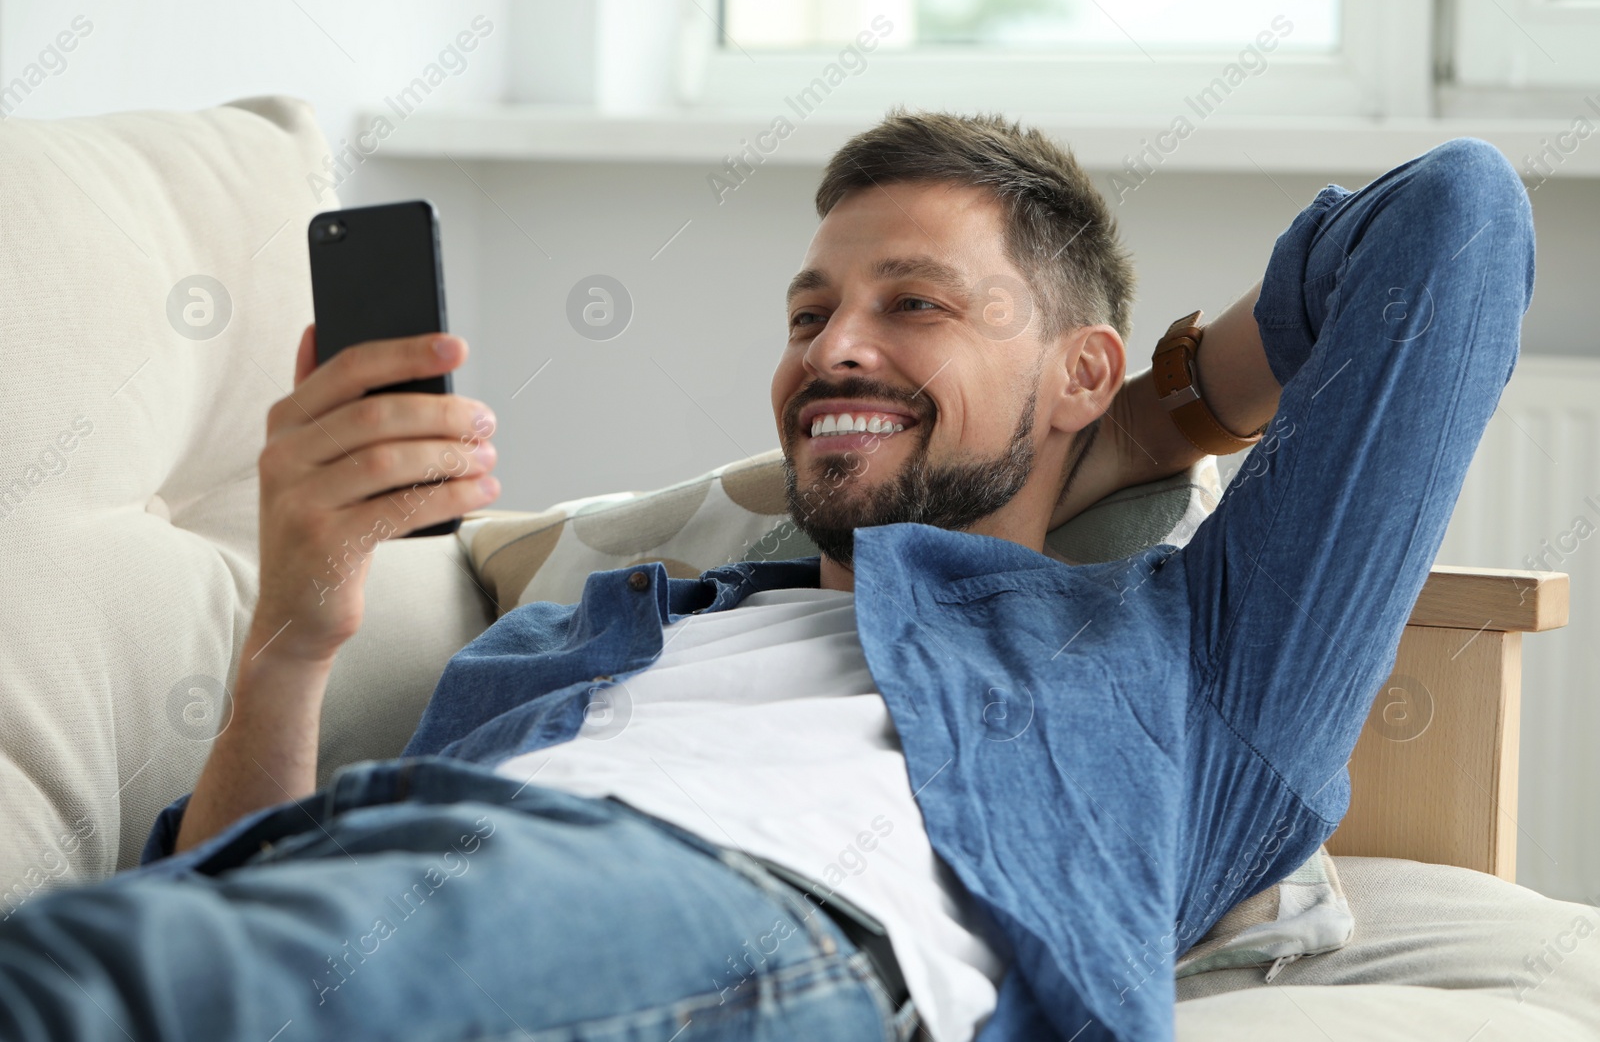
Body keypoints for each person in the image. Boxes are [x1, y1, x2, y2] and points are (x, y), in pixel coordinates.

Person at [0, 113, 1533, 1042]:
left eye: (914, 303)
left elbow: (1455, 221)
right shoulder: (587, 636)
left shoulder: (1188, 669)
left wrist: (1133, 419)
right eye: (810, 312)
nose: (833, 348)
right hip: (401, 863)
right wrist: (292, 637)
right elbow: (220, 883)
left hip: (754, 918)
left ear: (1079, 370)